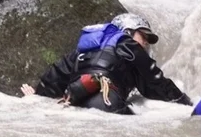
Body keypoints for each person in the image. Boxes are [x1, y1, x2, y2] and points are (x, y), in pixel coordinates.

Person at [20, 13, 191, 114]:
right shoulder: (129, 45)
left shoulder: (82, 50)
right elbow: (155, 81)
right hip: (108, 105)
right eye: (143, 36)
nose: (145, 42)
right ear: (127, 31)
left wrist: (36, 97)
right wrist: (187, 104)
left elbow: (54, 76)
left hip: (74, 104)